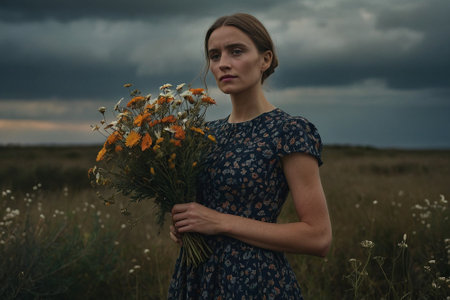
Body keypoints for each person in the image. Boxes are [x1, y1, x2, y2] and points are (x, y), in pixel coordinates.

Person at [168, 13, 332, 299]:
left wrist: (220, 222)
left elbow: (318, 237)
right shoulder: (204, 134)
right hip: (197, 278)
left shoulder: (288, 130)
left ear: (265, 60)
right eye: (215, 55)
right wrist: (186, 226)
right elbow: (202, 212)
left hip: (255, 281)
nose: (223, 64)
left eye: (237, 51)